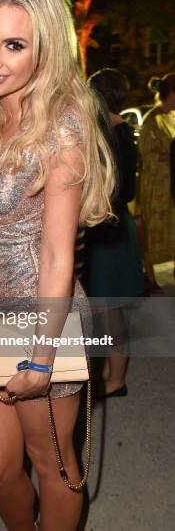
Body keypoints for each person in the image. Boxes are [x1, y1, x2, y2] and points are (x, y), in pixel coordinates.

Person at [0, 0, 114, 531]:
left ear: (44, 50)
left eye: (14, 44)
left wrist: (42, 358)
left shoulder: (60, 127)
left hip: (42, 318)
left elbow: (56, 256)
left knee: (54, 463)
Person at [84, 68, 145, 397]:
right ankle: (111, 371)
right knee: (107, 309)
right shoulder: (119, 130)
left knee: (110, 310)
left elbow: (119, 190)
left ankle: (116, 378)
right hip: (113, 227)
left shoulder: (113, 133)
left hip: (111, 230)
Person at [137, 73, 175, 290]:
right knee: (153, 232)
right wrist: (168, 155)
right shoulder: (153, 120)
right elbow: (145, 155)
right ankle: (150, 277)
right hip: (156, 188)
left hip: (171, 185)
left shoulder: (171, 118)